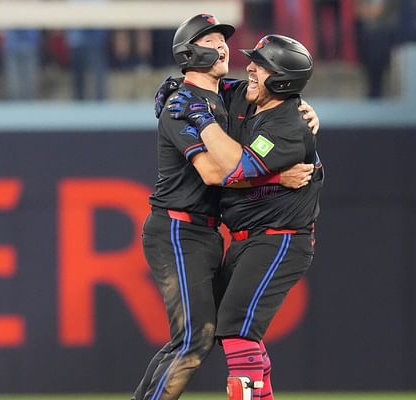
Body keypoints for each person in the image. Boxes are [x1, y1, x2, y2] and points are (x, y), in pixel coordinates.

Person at [132, 15, 319, 400]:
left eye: (222, 40)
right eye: (211, 40)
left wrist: (304, 106)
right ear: (189, 52)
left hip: (207, 232)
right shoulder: (180, 106)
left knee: (203, 337)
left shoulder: (228, 97)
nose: (223, 47)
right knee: (195, 340)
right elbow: (217, 172)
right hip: (176, 229)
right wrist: (276, 178)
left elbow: (276, 98)